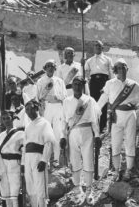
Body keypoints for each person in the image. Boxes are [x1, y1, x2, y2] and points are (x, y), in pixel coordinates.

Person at [97, 59, 139, 181]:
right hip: (116, 116)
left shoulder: (134, 85)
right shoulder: (110, 83)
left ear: (127, 69)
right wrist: (95, 111)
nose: (121, 70)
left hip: (130, 115)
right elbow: (103, 99)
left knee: (130, 142)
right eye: (119, 68)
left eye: (124, 67)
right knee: (115, 143)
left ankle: (128, 170)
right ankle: (116, 170)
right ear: (115, 70)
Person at [60, 76, 102, 205]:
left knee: (88, 160)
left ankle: (89, 190)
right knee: (75, 161)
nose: (77, 86)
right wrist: (62, 136)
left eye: (79, 84)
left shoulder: (89, 100)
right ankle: (77, 189)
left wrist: (97, 135)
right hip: (73, 133)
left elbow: (95, 120)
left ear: (83, 85)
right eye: (75, 84)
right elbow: (64, 121)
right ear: (72, 86)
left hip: (87, 132)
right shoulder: (66, 101)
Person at [22, 99, 56, 207]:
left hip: (38, 157)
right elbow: (24, 146)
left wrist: (44, 160)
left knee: (40, 187)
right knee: (31, 188)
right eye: (26, 110)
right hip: (28, 158)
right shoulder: (28, 126)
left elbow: (49, 142)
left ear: (36, 108)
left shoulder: (44, 123)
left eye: (30, 109)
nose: (28, 112)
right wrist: (23, 163)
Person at [36, 59, 67, 167]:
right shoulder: (40, 81)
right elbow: (38, 97)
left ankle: (57, 159)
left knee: (57, 132)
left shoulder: (59, 81)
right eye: (48, 66)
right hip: (47, 106)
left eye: (52, 66)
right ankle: (46, 159)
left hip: (58, 107)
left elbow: (64, 96)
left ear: (55, 68)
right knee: (47, 133)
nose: (50, 68)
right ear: (45, 68)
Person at [0, 110, 25, 207]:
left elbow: (24, 151)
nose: (6, 121)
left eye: (8, 118)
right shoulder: (0, 136)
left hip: (14, 163)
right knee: (5, 191)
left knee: (15, 191)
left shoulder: (20, 134)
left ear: (12, 118)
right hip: (3, 164)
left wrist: (23, 164)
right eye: (3, 119)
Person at [84, 40, 113, 132]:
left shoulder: (108, 59)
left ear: (102, 48)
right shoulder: (89, 60)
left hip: (104, 81)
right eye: (96, 46)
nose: (97, 47)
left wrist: (111, 84)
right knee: (94, 103)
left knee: (103, 103)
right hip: (93, 82)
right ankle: (94, 125)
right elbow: (86, 73)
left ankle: (103, 126)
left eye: (99, 46)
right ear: (94, 48)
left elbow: (111, 73)